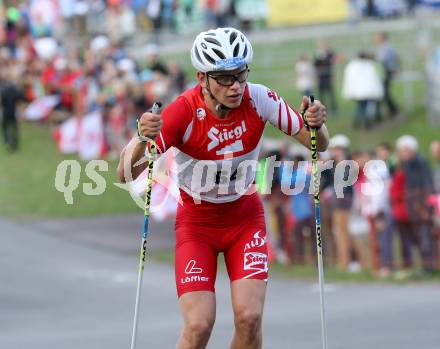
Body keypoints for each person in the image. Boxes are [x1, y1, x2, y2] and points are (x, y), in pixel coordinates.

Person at [117, 27, 329, 349]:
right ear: (202, 78)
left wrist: (317, 124)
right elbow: (125, 173)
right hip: (197, 224)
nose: (236, 86)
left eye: (240, 74)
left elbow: (317, 144)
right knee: (199, 325)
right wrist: (141, 139)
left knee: (249, 317)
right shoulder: (182, 112)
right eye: (225, 78)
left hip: (244, 218)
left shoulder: (259, 98)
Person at [375, 32, 400, 118]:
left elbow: (384, 59)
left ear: (382, 38)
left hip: (387, 71)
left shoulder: (386, 47)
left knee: (385, 92)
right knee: (384, 92)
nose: (375, 39)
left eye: (377, 37)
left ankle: (393, 109)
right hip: (385, 71)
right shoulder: (384, 47)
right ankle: (392, 109)